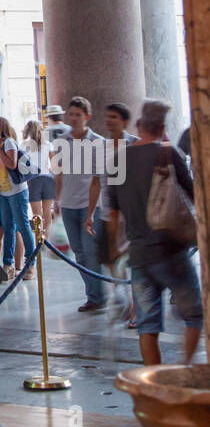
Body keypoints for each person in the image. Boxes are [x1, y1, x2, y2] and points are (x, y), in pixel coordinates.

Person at [107, 99, 203, 366]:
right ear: (162, 127)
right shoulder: (168, 153)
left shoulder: (118, 159)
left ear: (138, 125)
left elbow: (112, 210)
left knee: (147, 326)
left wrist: (115, 248)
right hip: (170, 249)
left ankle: (155, 378)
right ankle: (184, 370)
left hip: (138, 253)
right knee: (193, 315)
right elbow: (194, 194)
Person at [51, 95, 107, 311]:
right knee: (79, 253)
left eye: (78, 115)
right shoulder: (62, 141)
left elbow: (97, 180)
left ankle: (96, 297)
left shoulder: (97, 142)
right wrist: (57, 201)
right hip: (68, 204)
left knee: (91, 251)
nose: (73, 118)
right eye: (71, 114)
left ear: (87, 117)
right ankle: (96, 293)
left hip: (89, 205)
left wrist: (92, 212)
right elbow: (59, 173)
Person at [88, 103, 137, 321]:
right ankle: (123, 295)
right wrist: (90, 213)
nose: (109, 120)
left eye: (114, 117)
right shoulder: (102, 147)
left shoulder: (134, 145)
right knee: (109, 258)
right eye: (107, 116)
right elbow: (96, 182)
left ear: (124, 121)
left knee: (131, 260)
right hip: (107, 211)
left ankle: (135, 306)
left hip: (131, 213)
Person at [0, 116, 35, 279]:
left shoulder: (8, 143)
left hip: (17, 191)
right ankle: (7, 265)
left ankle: (30, 265)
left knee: (22, 226)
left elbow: (12, 164)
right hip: (4, 192)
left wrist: (0, 150)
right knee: (7, 228)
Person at [23, 118, 55, 240]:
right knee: (47, 212)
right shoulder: (48, 144)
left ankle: (39, 241)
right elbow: (53, 163)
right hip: (48, 178)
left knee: (37, 215)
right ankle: (48, 241)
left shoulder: (25, 146)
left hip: (33, 179)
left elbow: (23, 165)